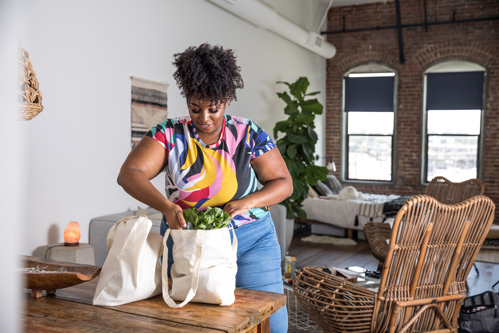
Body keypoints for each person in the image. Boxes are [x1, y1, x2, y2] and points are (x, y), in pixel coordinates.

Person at [117, 43, 292, 332]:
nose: (204, 118)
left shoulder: (248, 133)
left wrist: (247, 203)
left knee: (271, 325)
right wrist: (166, 206)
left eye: (213, 109)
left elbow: (284, 183)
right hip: (188, 243)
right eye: (195, 108)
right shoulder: (169, 133)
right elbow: (128, 174)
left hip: (251, 241)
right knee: (194, 324)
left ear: (227, 99)